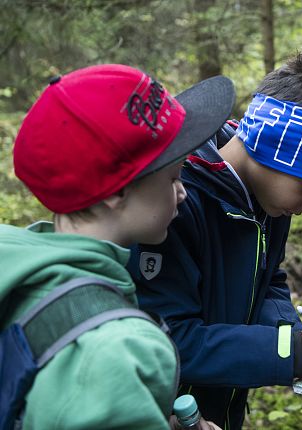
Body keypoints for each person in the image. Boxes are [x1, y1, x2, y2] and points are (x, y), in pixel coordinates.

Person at [127, 42, 302, 429]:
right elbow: (172, 340)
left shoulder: (268, 202)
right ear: (275, 148)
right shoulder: (174, 203)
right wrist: (288, 354)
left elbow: (269, 280)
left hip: (221, 410)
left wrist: (292, 333)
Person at [0, 64, 234, 429]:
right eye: (173, 176)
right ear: (118, 191)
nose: (183, 192)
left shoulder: (18, 268)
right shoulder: (116, 352)